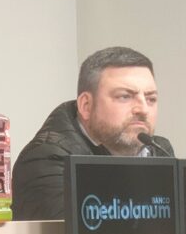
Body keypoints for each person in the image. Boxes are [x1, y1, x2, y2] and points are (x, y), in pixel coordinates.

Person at [12, 46, 174, 220]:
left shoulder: (159, 151)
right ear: (86, 106)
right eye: (125, 96)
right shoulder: (47, 158)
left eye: (151, 99)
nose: (143, 109)